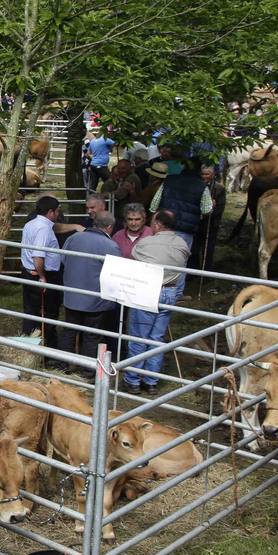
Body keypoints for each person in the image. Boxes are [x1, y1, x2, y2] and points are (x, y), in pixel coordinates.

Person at [124, 210, 191, 394]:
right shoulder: (182, 243)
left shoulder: (146, 243)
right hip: (169, 291)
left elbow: (134, 256)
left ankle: (134, 380)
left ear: (158, 225)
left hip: (148, 289)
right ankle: (151, 381)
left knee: (139, 336)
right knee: (157, 338)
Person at [58, 211, 121, 371]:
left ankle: (63, 364)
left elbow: (64, 259)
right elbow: (115, 273)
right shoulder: (110, 245)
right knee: (92, 335)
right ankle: (87, 370)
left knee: (69, 331)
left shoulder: (73, 238)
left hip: (72, 296)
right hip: (95, 300)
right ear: (109, 227)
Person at [20, 195, 64, 348]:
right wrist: (43, 277)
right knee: (47, 313)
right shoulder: (44, 229)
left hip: (29, 272)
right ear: (51, 212)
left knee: (31, 311)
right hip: (42, 275)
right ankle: (47, 350)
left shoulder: (30, 224)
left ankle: (28, 346)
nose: (58, 215)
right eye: (57, 211)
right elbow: (38, 256)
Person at [148, 158, 212, 250]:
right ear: (200, 169)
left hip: (163, 227)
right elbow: (206, 210)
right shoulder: (202, 186)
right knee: (179, 259)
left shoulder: (169, 180)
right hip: (186, 231)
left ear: (183, 166)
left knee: (159, 254)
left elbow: (153, 206)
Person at [193, 164, 226, 271]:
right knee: (194, 248)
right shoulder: (196, 186)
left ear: (212, 175)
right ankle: (193, 270)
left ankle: (206, 271)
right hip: (197, 221)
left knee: (208, 249)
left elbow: (220, 207)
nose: (204, 176)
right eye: (202, 174)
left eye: (207, 174)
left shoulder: (219, 188)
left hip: (211, 223)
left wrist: (211, 210)